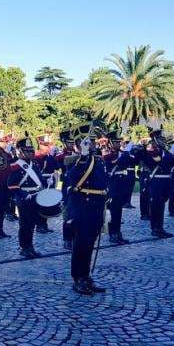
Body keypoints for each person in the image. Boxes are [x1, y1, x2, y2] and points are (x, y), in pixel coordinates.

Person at [63, 124, 108, 296]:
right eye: (89, 142)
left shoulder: (98, 160)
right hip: (83, 207)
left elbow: (103, 181)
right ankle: (78, 279)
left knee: (89, 244)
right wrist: (82, 155)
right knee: (80, 244)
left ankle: (86, 276)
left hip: (96, 207)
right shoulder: (75, 160)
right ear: (79, 144)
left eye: (93, 142)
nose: (93, 144)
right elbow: (72, 177)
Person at [7, 135, 45, 259]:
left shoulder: (34, 165)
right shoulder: (16, 166)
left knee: (32, 223)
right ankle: (24, 247)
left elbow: (39, 179)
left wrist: (46, 182)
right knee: (25, 224)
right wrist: (24, 195)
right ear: (21, 152)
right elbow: (11, 185)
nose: (31, 153)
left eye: (31, 150)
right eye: (28, 151)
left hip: (35, 196)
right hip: (23, 198)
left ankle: (30, 246)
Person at [100, 131, 133, 244]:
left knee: (119, 211)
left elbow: (130, 163)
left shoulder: (121, 153)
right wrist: (125, 154)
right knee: (113, 211)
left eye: (119, 142)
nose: (119, 144)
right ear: (111, 143)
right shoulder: (108, 154)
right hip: (112, 184)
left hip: (120, 184)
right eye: (116, 142)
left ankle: (118, 233)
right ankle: (112, 234)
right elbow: (116, 162)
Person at [140, 128, 174, 238]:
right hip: (157, 180)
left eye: (163, 139)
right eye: (161, 138)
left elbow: (172, 162)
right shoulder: (152, 150)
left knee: (161, 205)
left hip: (165, 180)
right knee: (156, 205)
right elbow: (160, 162)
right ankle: (155, 228)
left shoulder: (164, 150)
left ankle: (160, 228)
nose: (163, 140)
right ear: (155, 139)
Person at [34, 133, 58, 234]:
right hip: (42, 180)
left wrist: (52, 156)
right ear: (40, 144)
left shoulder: (49, 155)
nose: (47, 147)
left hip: (50, 179)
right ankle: (39, 226)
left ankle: (44, 224)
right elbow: (40, 169)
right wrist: (50, 157)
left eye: (48, 145)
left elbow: (56, 166)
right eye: (45, 145)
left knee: (47, 205)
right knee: (41, 204)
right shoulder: (38, 156)